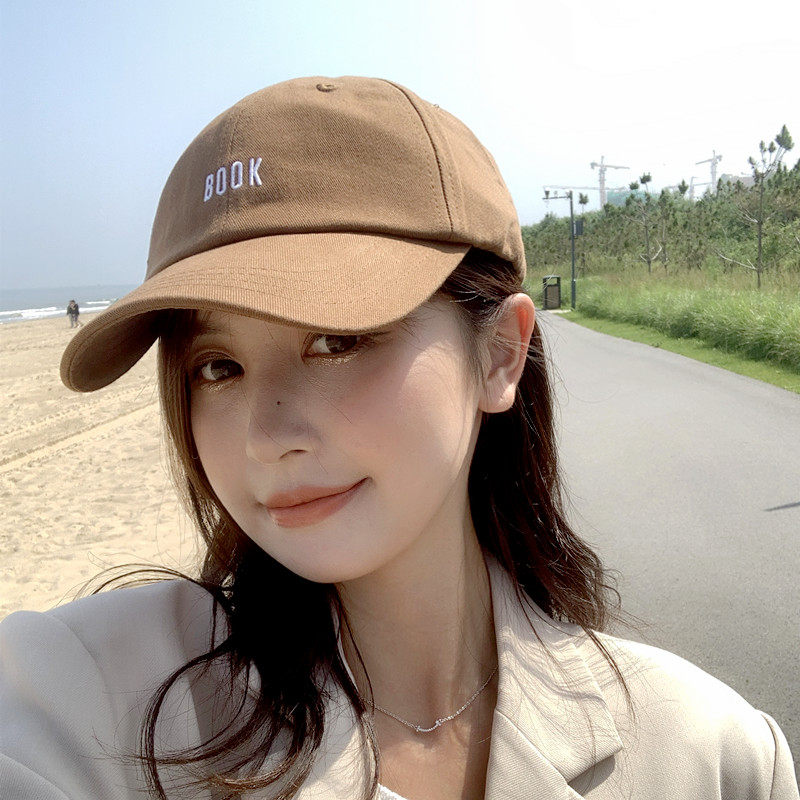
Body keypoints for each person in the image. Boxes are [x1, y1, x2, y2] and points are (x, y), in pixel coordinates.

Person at [0, 77, 797, 800]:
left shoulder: (712, 761)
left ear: (500, 353)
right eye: (217, 367)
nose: (265, 437)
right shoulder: (92, 697)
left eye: (336, 340)